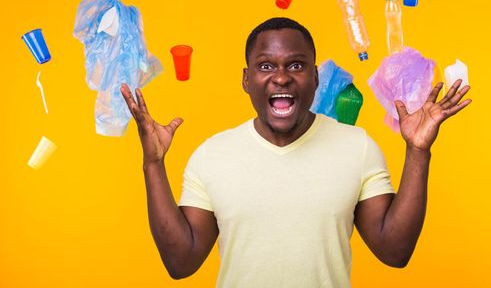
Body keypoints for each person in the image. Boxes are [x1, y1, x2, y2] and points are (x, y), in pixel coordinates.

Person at [120, 17, 471, 287]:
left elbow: (395, 252)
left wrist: (417, 152)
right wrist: (153, 164)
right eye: (266, 66)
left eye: (297, 65)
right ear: (247, 80)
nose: (282, 77)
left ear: (316, 78)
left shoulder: (357, 147)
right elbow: (181, 263)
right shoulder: (212, 155)